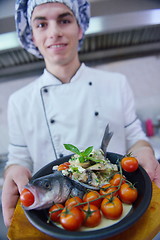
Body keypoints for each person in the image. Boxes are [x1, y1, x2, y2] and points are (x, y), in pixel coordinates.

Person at [2, 0, 160, 228]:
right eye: (41, 24)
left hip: (115, 207)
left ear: (80, 27)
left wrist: (144, 148)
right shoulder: (19, 101)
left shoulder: (116, 83)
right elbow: (18, 157)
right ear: (31, 36)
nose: (54, 32)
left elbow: (134, 136)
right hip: (57, 216)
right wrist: (14, 169)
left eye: (64, 20)